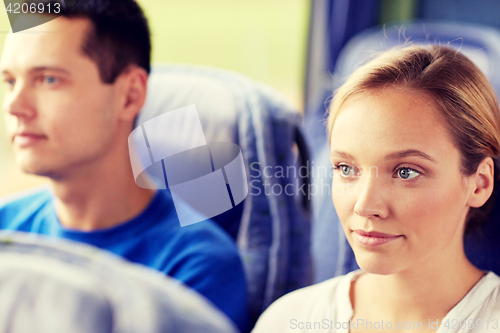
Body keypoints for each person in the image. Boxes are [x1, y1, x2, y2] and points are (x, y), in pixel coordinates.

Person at [0, 1, 249, 331]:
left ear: (130, 95)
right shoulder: (7, 229)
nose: (15, 106)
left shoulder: (197, 266)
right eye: (9, 82)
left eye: (48, 80)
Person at [252, 45, 500, 332]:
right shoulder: (286, 321)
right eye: (346, 169)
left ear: (479, 183)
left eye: (406, 172)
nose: (364, 205)